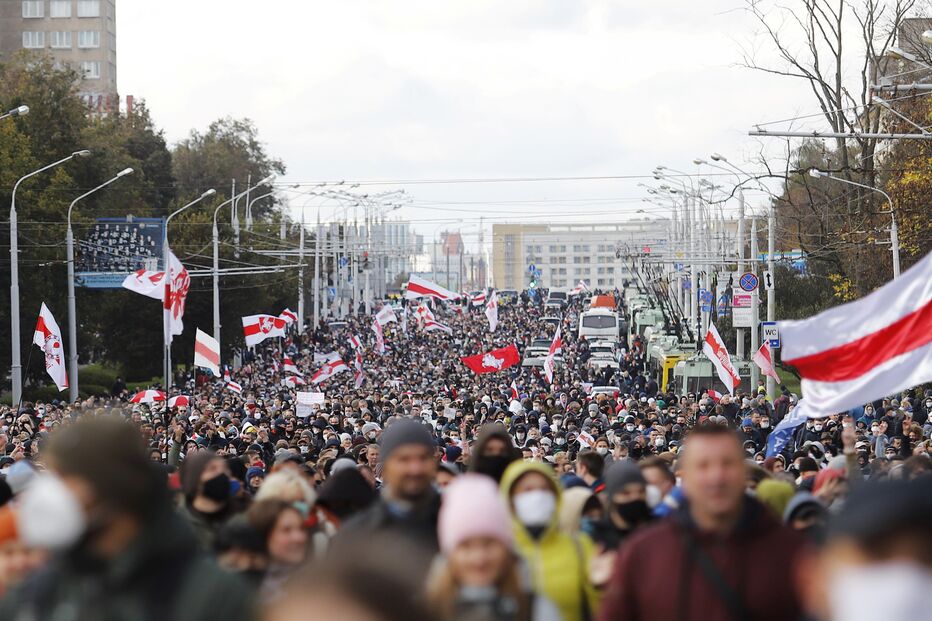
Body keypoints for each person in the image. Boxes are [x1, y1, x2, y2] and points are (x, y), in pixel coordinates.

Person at [0, 416, 254, 620]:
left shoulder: (210, 593)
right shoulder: (41, 590)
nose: (51, 493)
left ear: (110, 488)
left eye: (64, 479)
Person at [598, 423, 806, 621]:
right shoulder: (644, 551)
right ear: (684, 476)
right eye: (703, 465)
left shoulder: (792, 552)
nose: (717, 477)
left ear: (744, 472)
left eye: (727, 463)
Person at [428, 474, 561, 621]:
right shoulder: (424, 610)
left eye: (489, 544)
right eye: (466, 546)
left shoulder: (536, 609)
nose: (479, 558)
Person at [335, 418, 441, 576]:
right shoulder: (358, 531)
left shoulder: (454, 521)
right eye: (404, 459)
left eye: (423, 458)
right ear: (387, 465)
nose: (415, 468)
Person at [500, 461, 599, 621]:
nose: (537, 496)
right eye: (528, 490)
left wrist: (600, 588)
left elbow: (602, 610)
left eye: (544, 489)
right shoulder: (498, 551)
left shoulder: (580, 546)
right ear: (510, 498)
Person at [246, 499, 308, 601]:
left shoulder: (316, 583)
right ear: (263, 534)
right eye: (286, 530)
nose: (299, 537)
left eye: (301, 528)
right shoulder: (243, 590)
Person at [179, 448, 239, 550]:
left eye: (225, 469)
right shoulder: (177, 525)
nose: (221, 473)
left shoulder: (242, 519)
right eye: (212, 469)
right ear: (195, 479)